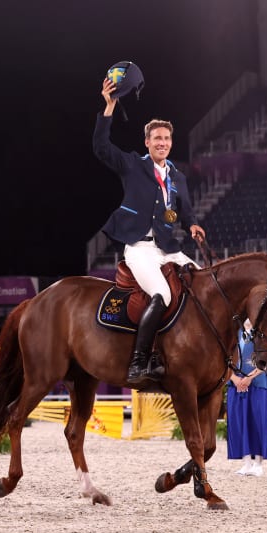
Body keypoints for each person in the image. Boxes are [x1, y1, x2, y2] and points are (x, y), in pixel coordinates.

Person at [94, 78, 206, 387]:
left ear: (171, 142)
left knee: (205, 285)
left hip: (167, 248)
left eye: (166, 138)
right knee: (162, 294)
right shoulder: (133, 165)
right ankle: (140, 361)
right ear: (147, 142)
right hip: (140, 249)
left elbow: (185, 211)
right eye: (156, 138)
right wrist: (109, 107)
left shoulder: (178, 178)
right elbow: (101, 148)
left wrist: (193, 223)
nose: (162, 143)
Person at [226, 319, 267, 476]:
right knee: (240, 422)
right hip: (236, 384)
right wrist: (234, 379)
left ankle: (258, 464)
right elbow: (224, 360)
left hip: (257, 383)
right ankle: (246, 463)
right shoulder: (232, 334)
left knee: (258, 422)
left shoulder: (263, 335)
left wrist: (248, 378)